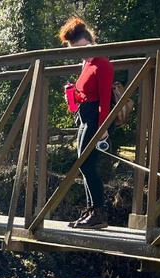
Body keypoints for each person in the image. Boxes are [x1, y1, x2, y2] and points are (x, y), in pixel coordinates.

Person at [59, 16, 114, 230]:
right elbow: (86, 93)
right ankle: (92, 211)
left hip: (95, 118)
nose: (81, 53)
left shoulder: (102, 62)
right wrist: (73, 94)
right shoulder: (86, 62)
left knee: (87, 164)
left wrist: (104, 128)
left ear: (90, 41)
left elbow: (104, 99)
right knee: (83, 165)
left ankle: (99, 213)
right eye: (76, 50)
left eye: (83, 48)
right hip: (84, 117)